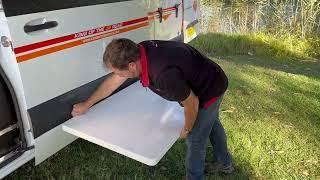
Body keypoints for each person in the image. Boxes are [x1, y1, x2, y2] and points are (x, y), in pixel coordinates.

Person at [71, 38, 234, 179]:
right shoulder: (139, 50)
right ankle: (224, 163)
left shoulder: (162, 74)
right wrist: (87, 104)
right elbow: (113, 82)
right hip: (207, 76)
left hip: (210, 88)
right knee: (212, 123)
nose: (119, 76)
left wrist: (187, 128)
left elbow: (192, 103)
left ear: (131, 66)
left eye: (119, 73)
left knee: (195, 139)